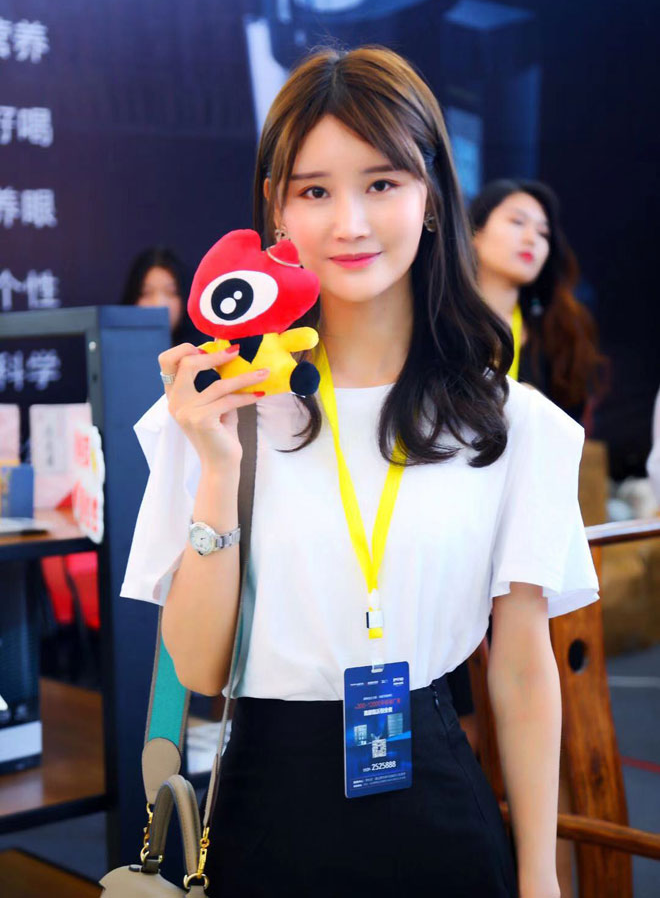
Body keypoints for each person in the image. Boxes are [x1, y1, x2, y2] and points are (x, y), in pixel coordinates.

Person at [121, 46, 599, 898]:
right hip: (266, 819)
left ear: (431, 195)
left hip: (444, 820)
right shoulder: (215, 410)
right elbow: (196, 668)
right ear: (276, 207)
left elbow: (524, 667)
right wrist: (219, 470)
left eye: (381, 183)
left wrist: (539, 877)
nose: (349, 223)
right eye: (314, 191)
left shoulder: (511, 422)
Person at [470, 179, 607, 426]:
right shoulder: (435, 320)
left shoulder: (557, 338)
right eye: (517, 222)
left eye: (543, 233)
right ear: (475, 233)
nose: (531, 238)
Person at [120, 246, 197, 345]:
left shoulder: (204, 349)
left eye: (171, 292)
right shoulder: (114, 347)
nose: (159, 304)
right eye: (147, 293)